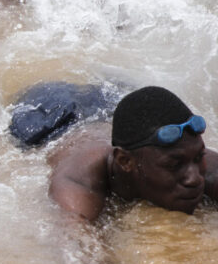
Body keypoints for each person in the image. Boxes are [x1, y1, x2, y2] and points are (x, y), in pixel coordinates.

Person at [48, 86, 218, 222]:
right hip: (52, 117)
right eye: (174, 165)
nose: (195, 178)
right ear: (125, 161)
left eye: (198, 158)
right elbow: (78, 253)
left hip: (108, 102)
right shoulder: (77, 183)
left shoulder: (196, 160)